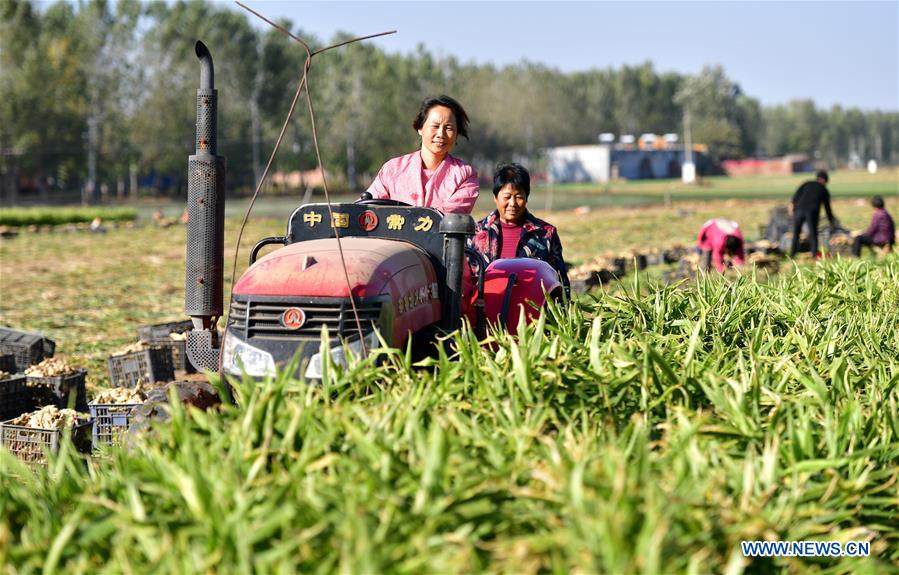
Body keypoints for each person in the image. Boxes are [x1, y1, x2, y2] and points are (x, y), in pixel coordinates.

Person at [366, 95, 479, 214]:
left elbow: (446, 218)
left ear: (457, 134)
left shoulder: (465, 175)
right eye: (435, 126)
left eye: (449, 128)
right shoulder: (392, 169)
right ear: (420, 128)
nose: (441, 134)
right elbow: (366, 209)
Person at [470, 163, 570, 291]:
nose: (512, 203)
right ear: (495, 197)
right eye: (507, 197)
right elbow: (468, 281)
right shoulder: (476, 233)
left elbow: (560, 282)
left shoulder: (546, 233)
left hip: (533, 307)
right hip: (484, 308)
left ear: (526, 198)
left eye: (518, 197)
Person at [790, 170, 837, 257]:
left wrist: (792, 208)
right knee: (813, 234)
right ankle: (814, 254)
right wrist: (831, 220)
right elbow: (827, 208)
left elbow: (794, 197)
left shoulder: (807, 183)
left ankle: (792, 254)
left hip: (799, 210)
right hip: (811, 212)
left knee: (796, 233)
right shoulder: (823, 189)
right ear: (824, 180)